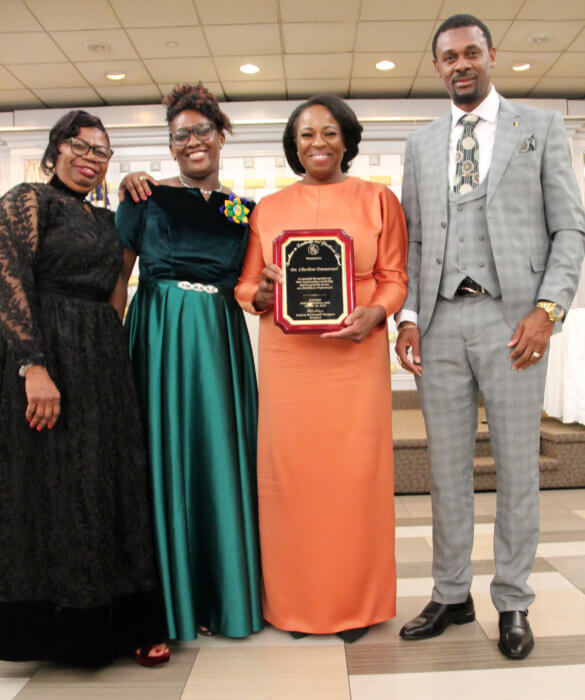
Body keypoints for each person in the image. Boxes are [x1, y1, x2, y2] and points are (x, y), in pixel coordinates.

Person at [395, 14, 585, 659]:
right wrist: (411, 317)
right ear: (438, 66)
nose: (460, 65)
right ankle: (451, 594)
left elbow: (570, 230)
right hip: (443, 323)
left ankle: (513, 600)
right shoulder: (419, 145)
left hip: (515, 322)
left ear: (491, 55)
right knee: (446, 473)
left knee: (518, 471)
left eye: (471, 52)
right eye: (448, 57)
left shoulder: (541, 127)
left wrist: (548, 310)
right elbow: (415, 240)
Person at [235, 95, 408, 643]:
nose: (318, 144)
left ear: (348, 141)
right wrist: (261, 292)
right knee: (291, 482)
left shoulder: (379, 199)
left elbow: (394, 276)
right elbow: (244, 285)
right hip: (290, 366)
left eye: (330, 133)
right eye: (307, 134)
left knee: (356, 480)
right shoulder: (266, 208)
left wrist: (376, 313)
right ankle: (294, 604)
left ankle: (356, 605)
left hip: (355, 359)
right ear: (293, 144)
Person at [0, 110, 168, 667]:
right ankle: (63, 632)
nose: (90, 157)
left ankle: (125, 622)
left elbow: (117, 285)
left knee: (111, 484)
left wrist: (112, 346)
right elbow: (9, 278)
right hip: (47, 356)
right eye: (81, 146)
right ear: (57, 148)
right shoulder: (27, 199)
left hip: (102, 361)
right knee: (54, 488)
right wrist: (33, 366)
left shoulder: (103, 218)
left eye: (102, 151)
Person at [114, 83, 263, 641]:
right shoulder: (143, 196)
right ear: (171, 146)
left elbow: (248, 285)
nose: (194, 141)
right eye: (182, 135)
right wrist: (113, 349)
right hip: (159, 333)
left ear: (221, 136)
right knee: (162, 458)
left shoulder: (241, 210)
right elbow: (117, 280)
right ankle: (166, 606)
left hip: (220, 336)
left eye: (203, 130)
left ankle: (223, 598)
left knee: (217, 458)